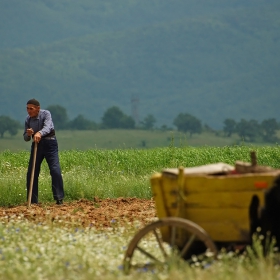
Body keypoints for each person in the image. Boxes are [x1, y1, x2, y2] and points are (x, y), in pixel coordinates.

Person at [23, 98, 64, 205]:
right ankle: (32, 200)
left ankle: (59, 198)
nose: (29, 111)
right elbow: (26, 138)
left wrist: (39, 133)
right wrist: (28, 134)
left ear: (37, 108)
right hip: (37, 145)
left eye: (31, 109)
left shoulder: (46, 114)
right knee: (32, 171)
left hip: (50, 144)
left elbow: (48, 127)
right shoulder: (28, 119)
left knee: (55, 170)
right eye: (27, 109)